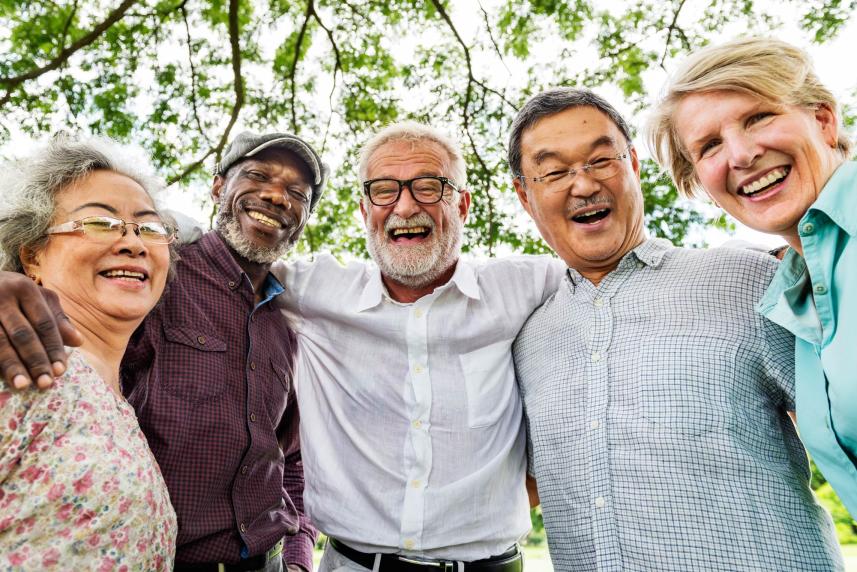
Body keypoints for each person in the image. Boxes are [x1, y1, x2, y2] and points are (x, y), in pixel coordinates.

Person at [509, 88, 843, 571]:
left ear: (634, 166)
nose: (583, 186)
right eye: (555, 171)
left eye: (602, 160)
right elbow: (520, 486)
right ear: (525, 195)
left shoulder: (749, 280)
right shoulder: (526, 341)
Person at [0, 131, 322, 571]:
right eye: (258, 175)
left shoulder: (290, 327)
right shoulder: (151, 277)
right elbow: (64, 288)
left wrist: (299, 558)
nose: (276, 196)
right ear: (217, 187)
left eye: (297, 193)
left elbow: (292, 461)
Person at [275, 122, 564, 571]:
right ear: (363, 209)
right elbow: (211, 256)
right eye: (384, 190)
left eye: (430, 187)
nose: (405, 206)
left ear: (463, 204)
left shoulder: (529, 287)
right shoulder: (312, 293)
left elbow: (614, 270)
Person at [648, 36, 857, 519]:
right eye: (709, 145)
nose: (741, 154)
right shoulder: (795, 296)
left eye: (758, 117)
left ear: (823, 121)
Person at [0, 135, 177, 569]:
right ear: (32, 256)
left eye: (149, 228)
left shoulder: (118, 402)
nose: (134, 243)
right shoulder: (17, 367)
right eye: (100, 222)